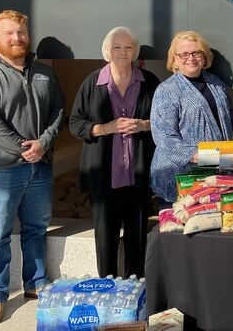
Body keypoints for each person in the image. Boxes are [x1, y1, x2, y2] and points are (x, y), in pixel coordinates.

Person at [0, 10, 64, 326]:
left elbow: (58, 111)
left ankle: (36, 283)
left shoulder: (46, 73)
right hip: (2, 170)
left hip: (41, 167)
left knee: (36, 229)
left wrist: (44, 144)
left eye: (21, 32)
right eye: (9, 33)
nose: (16, 38)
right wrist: (27, 150)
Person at [69, 26, 159, 278]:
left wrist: (144, 124)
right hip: (104, 178)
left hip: (138, 175)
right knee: (105, 240)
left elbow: (165, 120)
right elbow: (75, 123)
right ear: (107, 52)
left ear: (135, 51)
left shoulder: (149, 81)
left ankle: (135, 289)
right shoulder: (92, 82)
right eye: (116, 47)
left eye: (128, 47)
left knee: (137, 239)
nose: (122, 51)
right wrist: (105, 128)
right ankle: (106, 290)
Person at [150, 31, 233, 206]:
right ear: (175, 59)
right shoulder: (166, 90)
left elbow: (231, 115)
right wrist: (199, 156)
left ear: (204, 57)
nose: (191, 58)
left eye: (196, 52)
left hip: (218, 170)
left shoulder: (214, 82)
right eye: (184, 54)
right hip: (182, 176)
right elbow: (164, 138)